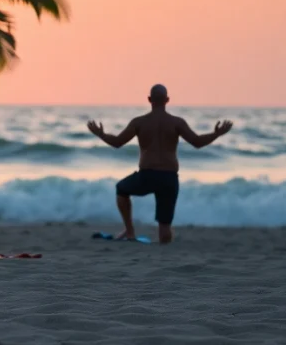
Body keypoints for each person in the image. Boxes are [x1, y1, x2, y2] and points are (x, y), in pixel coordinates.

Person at [86, 84, 233, 244]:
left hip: (147, 176)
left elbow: (117, 142)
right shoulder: (177, 122)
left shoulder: (139, 122)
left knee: (121, 189)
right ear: (167, 100)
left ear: (149, 100)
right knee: (164, 231)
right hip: (169, 179)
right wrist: (216, 134)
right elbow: (197, 142)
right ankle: (161, 241)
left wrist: (100, 134)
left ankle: (130, 232)